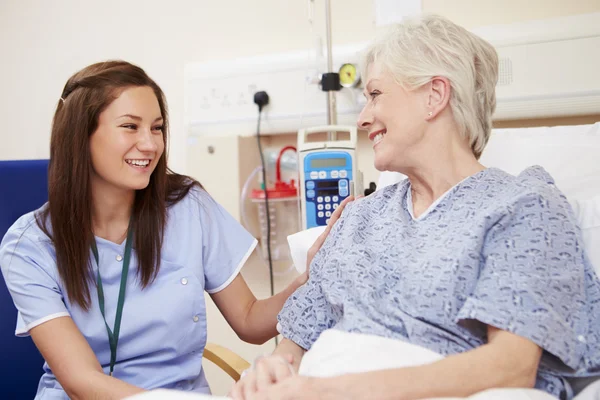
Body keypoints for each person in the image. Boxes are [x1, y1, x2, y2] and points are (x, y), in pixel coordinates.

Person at [229, 14, 600, 400]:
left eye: (375, 95)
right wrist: (271, 375)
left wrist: (328, 391)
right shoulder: (357, 218)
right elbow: (293, 348)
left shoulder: (524, 207)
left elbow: (511, 367)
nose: (362, 118)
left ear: (434, 96)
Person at [0, 60, 350, 399]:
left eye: (156, 127)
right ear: (81, 136)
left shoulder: (187, 206)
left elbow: (250, 320)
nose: (151, 144)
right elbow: (82, 383)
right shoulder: (30, 245)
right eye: (130, 126)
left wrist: (311, 277)